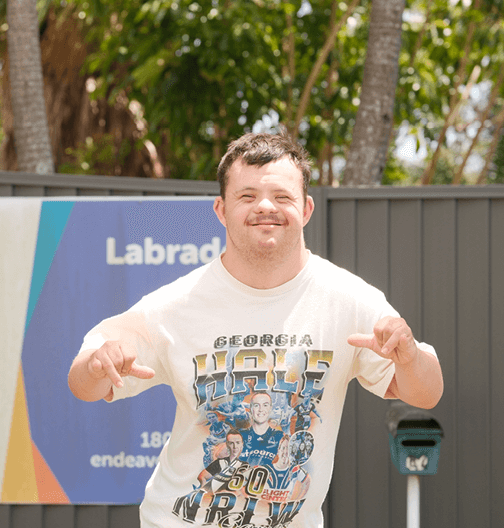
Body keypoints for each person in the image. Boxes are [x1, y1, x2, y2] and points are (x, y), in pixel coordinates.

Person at [68, 131, 444, 528]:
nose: (265, 206)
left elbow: (426, 392)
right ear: (220, 209)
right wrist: (96, 365)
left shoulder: (347, 300)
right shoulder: (176, 305)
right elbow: (84, 386)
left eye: (282, 197)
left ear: (307, 208)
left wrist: (410, 355)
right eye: (247, 196)